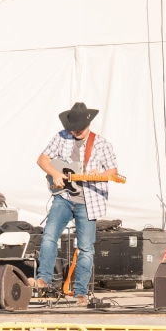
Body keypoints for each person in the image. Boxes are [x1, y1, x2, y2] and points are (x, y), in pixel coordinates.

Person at [34, 102, 119, 306]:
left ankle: (80, 292)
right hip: (63, 197)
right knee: (49, 236)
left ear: (88, 124)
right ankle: (43, 279)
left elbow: (113, 171)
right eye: (73, 128)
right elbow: (42, 159)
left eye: (79, 128)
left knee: (86, 248)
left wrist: (99, 174)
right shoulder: (61, 137)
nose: (76, 131)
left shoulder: (101, 144)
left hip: (88, 201)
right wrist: (55, 173)